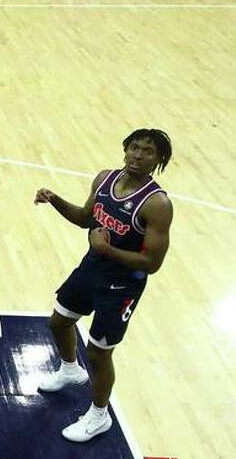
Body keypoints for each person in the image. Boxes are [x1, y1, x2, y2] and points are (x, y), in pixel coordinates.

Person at [34, 129, 173, 442]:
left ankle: (99, 414)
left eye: (148, 151)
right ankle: (70, 369)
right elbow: (86, 218)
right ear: (124, 149)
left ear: (158, 160)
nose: (138, 155)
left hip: (123, 286)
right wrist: (54, 200)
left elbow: (152, 263)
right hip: (92, 268)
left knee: (98, 354)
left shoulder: (157, 204)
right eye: (134, 148)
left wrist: (107, 250)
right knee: (59, 322)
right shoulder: (105, 180)